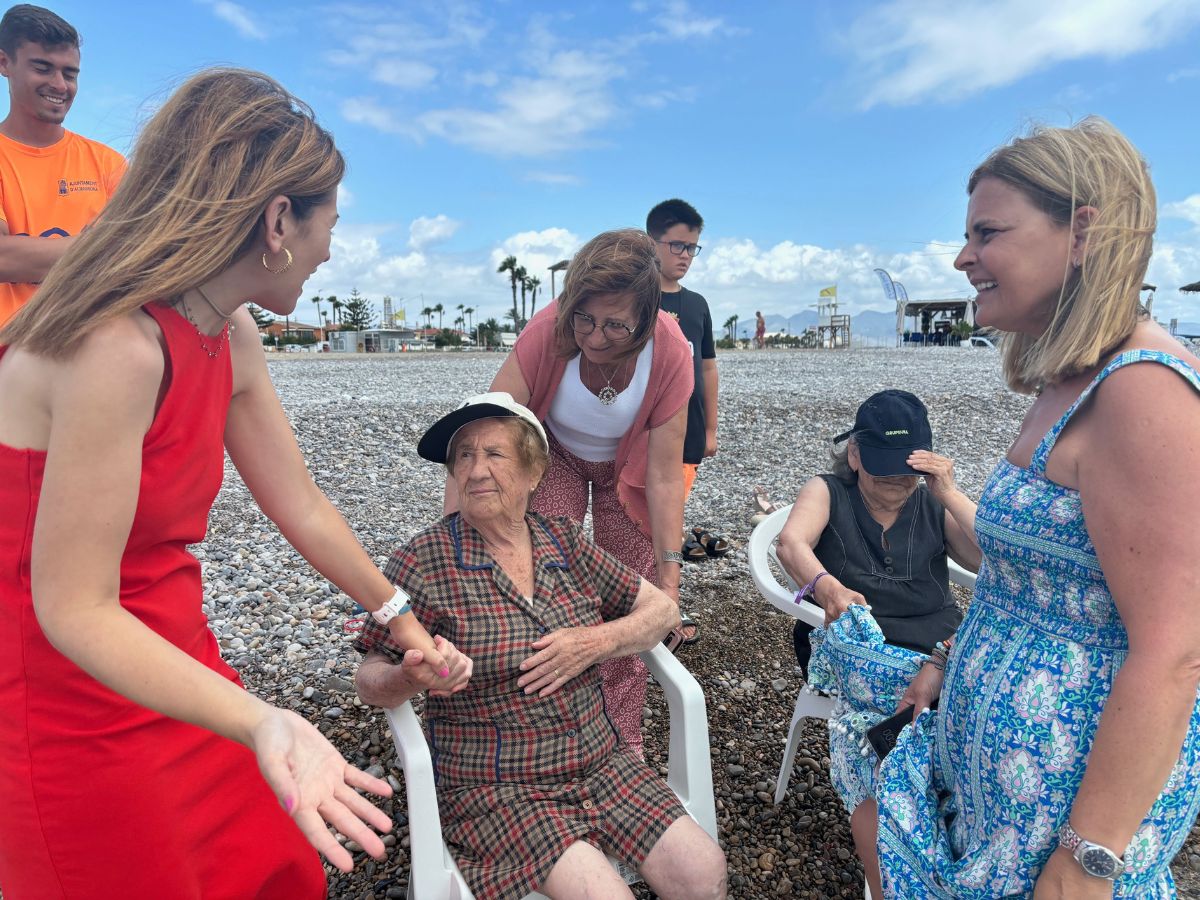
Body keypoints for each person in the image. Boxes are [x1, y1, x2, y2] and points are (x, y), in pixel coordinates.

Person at [0, 68, 460, 898]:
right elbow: (70, 607)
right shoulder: (117, 346)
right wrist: (261, 719)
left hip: (174, 653)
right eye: (332, 224)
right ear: (280, 220)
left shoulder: (227, 327)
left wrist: (400, 617)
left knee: (268, 867)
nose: (332, 250)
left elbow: (303, 506)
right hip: (68, 689)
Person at [875, 117, 1200, 899]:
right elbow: (1027, 582)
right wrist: (950, 663)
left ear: (1081, 231)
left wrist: (1089, 861)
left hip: (1065, 822)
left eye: (988, 231)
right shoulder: (1072, 383)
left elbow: (1177, 649)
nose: (962, 258)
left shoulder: (1144, 391)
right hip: (1005, 808)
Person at [356, 393, 727, 900]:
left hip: (602, 761)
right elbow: (369, 675)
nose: (476, 469)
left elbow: (662, 610)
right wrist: (409, 677)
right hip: (497, 787)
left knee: (703, 872)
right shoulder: (422, 562)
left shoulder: (563, 542)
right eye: (463, 455)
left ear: (534, 473)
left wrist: (593, 642)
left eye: (495, 454)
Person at [478, 228, 693, 754]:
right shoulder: (548, 331)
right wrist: (463, 535)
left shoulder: (671, 352)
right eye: (585, 319)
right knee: (545, 581)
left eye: (616, 325)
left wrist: (670, 578)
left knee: (630, 600)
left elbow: (665, 476)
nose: (595, 337)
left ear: (647, 317)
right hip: (555, 458)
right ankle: (546, 721)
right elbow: (485, 433)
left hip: (629, 469)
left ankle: (622, 738)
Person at [775, 389, 980, 899]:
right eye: (884, 470)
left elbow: (992, 559)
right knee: (903, 719)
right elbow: (790, 543)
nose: (896, 483)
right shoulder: (828, 490)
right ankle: (903, 838)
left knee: (961, 703)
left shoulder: (931, 502)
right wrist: (827, 588)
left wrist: (950, 492)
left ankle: (932, 818)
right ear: (855, 454)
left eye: (907, 472)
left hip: (935, 641)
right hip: (853, 646)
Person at [0, 4, 124, 327]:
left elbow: (138, 252)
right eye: (43, 68)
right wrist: (103, 246)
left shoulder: (108, 163)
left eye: (69, 74)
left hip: (93, 347)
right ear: (4, 63)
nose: (60, 85)